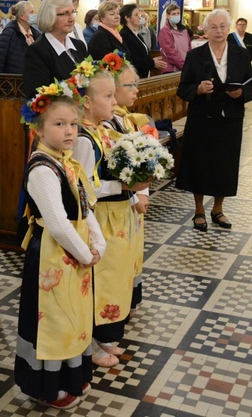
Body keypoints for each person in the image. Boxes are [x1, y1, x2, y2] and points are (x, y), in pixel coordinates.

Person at [15, 84, 105, 410]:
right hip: (53, 256)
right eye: (59, 124)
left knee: (73, 319)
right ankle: (46, 387)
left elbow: (84, 205)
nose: (69, 131)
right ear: (38, 129)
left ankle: (69, 377)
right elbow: (57, 223)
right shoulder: (42, 168)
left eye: (73, 124)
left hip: (76, 254)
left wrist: (99, 241)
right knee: (53, 322)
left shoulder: (66, 161)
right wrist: (85, 253)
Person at [72, 65, 144, 368]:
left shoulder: (107, 129)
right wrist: (124, 184)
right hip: (100, 219)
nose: (115, 102)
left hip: (118, 217)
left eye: (115, 94)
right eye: (108, 95)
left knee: (114, 279)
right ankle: (88, 343)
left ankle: (103, 337)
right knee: (97, 282)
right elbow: (85, 188)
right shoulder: (84, 138)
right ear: (87, 102)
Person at [176, 9, 252, 232]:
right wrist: (198, 89)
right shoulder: (195, 55)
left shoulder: (240, 55)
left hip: (230, 119)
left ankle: (218, 209)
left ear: (229, 28)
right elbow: (182, 89)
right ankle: (199, 210)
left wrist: (241, 94)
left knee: (225, 165)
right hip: (202, 118)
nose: (219, 31)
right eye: (214, 27)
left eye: (223, 26)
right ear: (206, 30)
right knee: (200, 163)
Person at [105, 62, 150, 319]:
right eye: (130, 85)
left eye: (137, 84)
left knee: (132, 252)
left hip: (131, 200)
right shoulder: (109, 122)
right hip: (116, 203)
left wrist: (141, 193)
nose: (136, 90)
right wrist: (135, 194)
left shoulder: (125, 118)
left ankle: (129, 299)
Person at [22, 0, 87, 97]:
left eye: (72, 13)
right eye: (65, 14)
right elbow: (37, 96)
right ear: (49, 17)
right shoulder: (37, 51)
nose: (71, 19)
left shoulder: (79, 46)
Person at [0, 0, 39, 77]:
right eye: (31, 12)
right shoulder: (9, 33)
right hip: (13, 81)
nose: (35, 15)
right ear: (22, 16)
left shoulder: (36, 34)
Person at [119, 3, 166, 78]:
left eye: (140, 15)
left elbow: (143, 55)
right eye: (136, 15)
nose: (140, 18)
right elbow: (133, 60)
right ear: (127, 18)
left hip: (144, 74)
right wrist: (152, 63)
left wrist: (152, 61)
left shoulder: (136, 35)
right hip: (135, 76)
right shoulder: (125, 35)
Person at [158, 2, 192, 72]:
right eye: (173, 14)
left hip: (185, 66)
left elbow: (189, 48)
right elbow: (170, 52)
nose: (176, 15)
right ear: (167, 16)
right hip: (171, 68)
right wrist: (184, 66)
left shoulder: (184, 29)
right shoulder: (165, 31)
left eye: (178, 13)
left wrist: (190, 63)